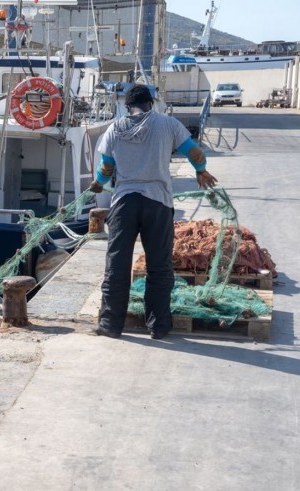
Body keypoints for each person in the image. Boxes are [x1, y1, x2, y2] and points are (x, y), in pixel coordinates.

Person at [90, 84, 218, 340]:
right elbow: (194, 151)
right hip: (158, 202)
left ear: (127, 106)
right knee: (159, 267)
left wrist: (99, 184)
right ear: (151, 103)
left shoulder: (115, 128)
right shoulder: (167, 124)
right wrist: (201, 169)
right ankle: (158, 326)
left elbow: (106, 167)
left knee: (117, 264)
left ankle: (110, 325)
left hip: (124, 203)